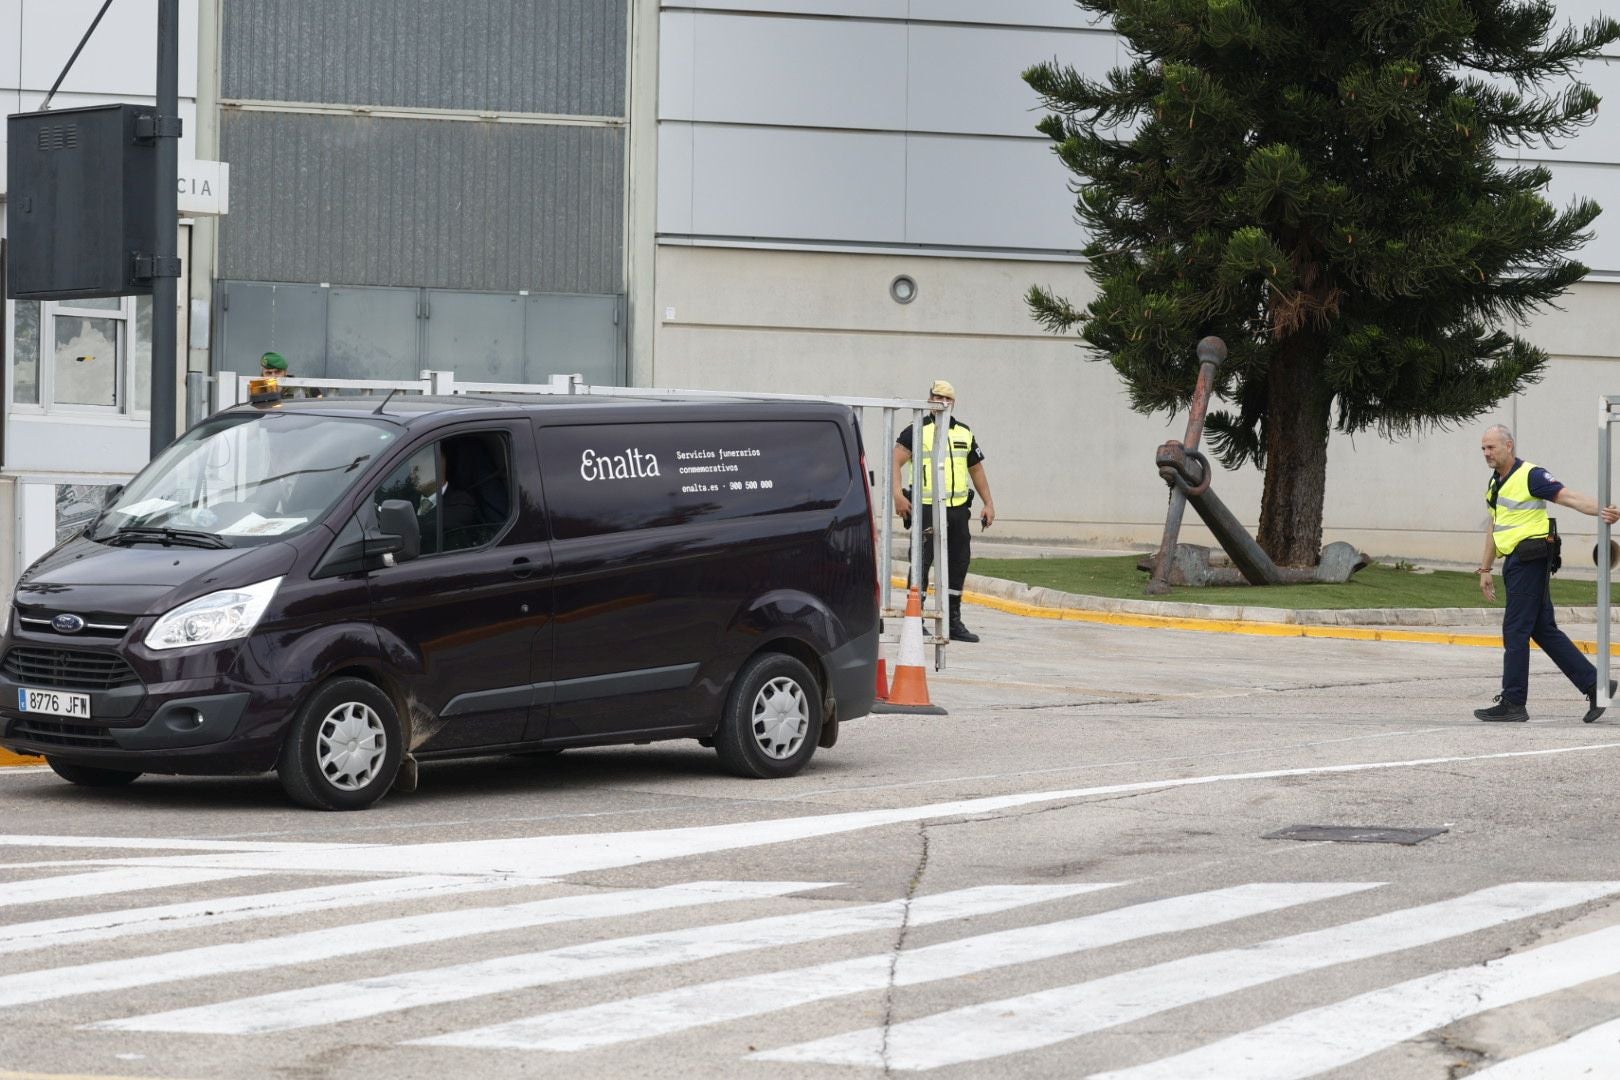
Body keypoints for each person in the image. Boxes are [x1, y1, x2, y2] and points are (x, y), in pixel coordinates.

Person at [1474, 424, 1620, 722]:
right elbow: (1494, 527)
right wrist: (1486, 568)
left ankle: (1514, 702)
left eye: (1491, 447)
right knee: (1542, 629)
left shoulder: (1531, 474)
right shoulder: (1494, 484)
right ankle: (1596, 685)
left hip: (1531, 559)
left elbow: (1569, 497)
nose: (1486, 453)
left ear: (1509, 445)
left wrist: (1603, 510)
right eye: (1483, 449)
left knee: (1515, 629)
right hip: (1515, 562)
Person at [894, 379, 996, 642]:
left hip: (957, 510)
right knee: (921, 561)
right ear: (929, 399)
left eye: (947, 398)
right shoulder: (917, 429)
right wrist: (897, 495)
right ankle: (915, 620)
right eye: (937, 397)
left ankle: (952, 620)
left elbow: (976, 469)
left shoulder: (963, 432)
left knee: (958, 563)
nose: (942, 402)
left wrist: (989, 503)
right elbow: (895, 461)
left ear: (954, 402)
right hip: (927, 508)